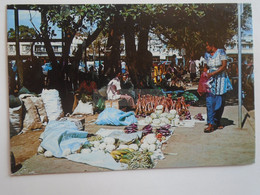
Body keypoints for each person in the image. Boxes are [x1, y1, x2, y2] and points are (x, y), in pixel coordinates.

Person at [203, 40, 233, 133]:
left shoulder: (221, 52)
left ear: (212, 45)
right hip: (210, 81)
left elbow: (224, 66)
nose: (206, 48)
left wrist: (213, 73)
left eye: (207, 46)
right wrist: (204, 75)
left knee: (219, 102)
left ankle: (217, 120)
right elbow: (205, 67)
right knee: (209, 102)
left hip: (221, 80)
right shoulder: (206, 55)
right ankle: (211, 123)